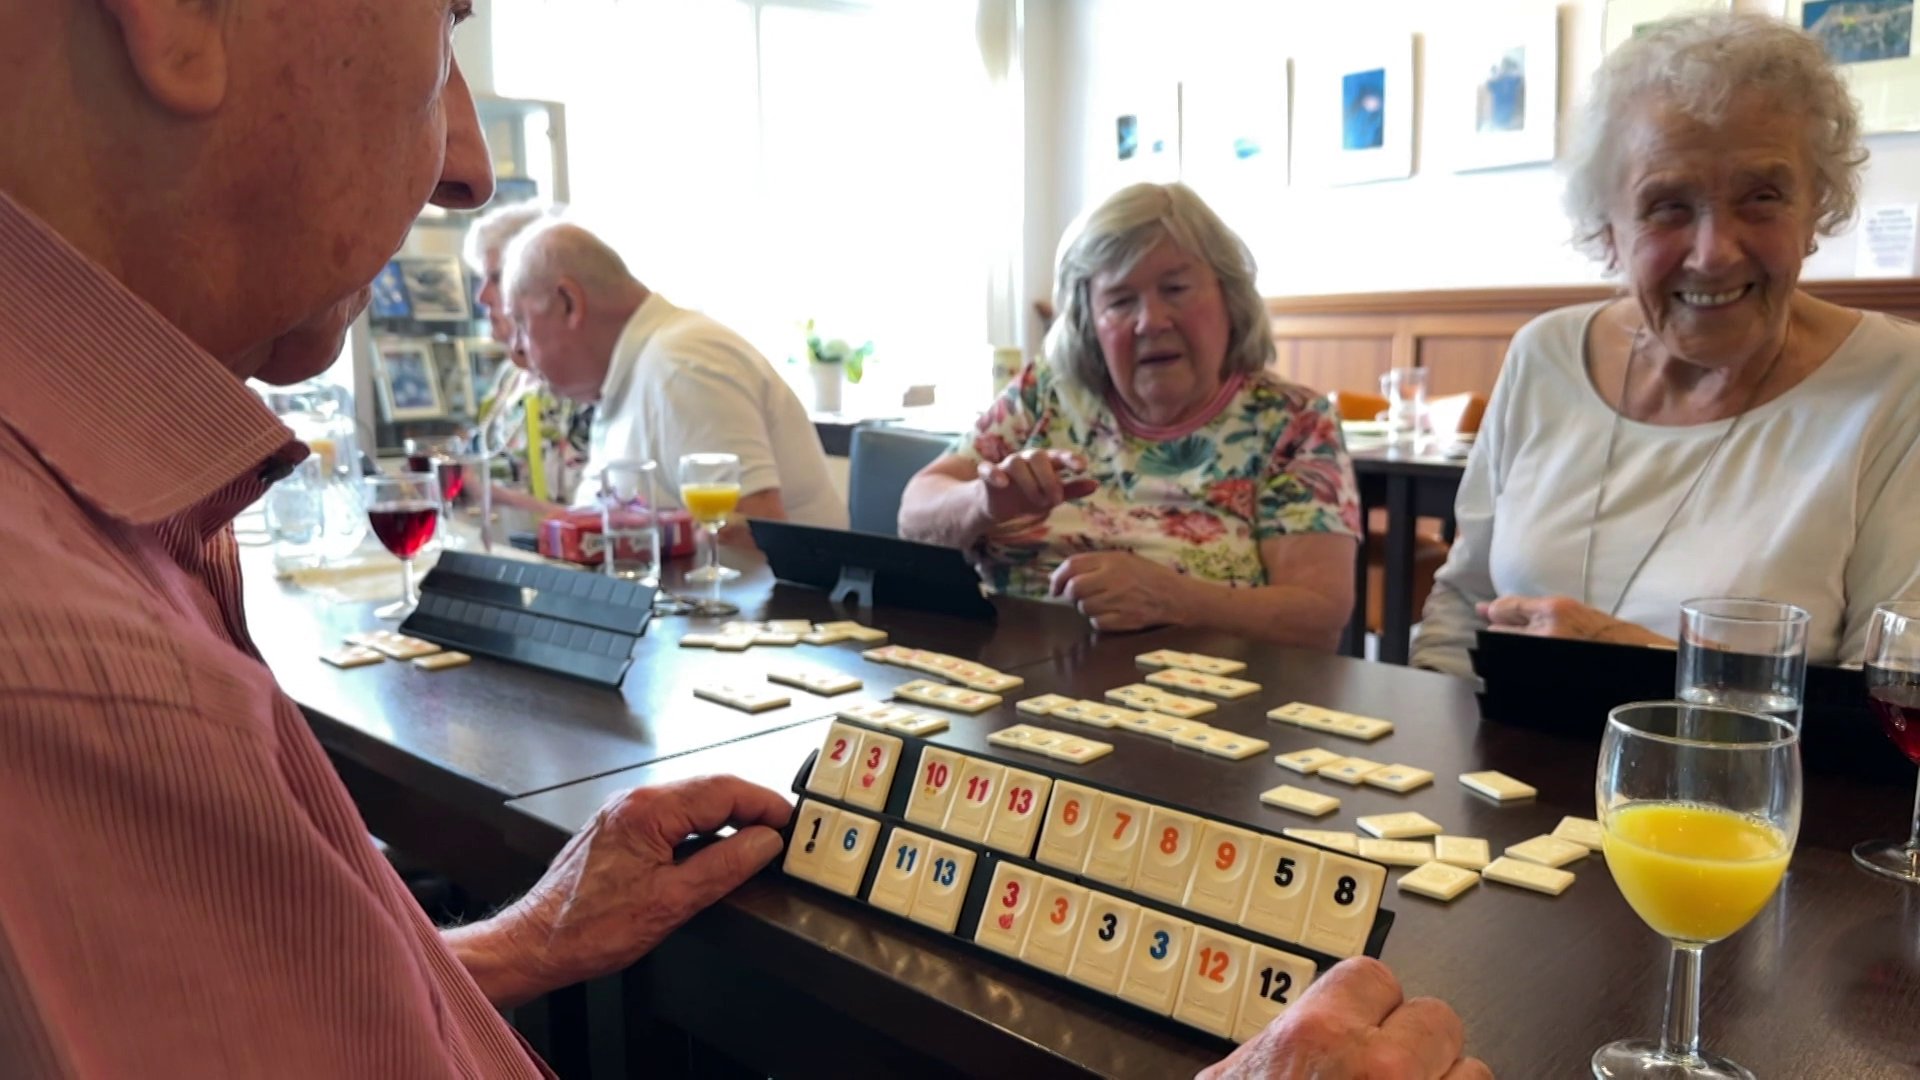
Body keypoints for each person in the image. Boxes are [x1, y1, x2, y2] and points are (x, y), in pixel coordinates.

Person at [0, 3, 1484, 1076]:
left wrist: (515, 945)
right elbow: (920, 511)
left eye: (1173, 291)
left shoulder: (102, 557)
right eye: (447, 22)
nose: (466, 159)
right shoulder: (72, 667)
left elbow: (303, 1031)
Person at [1411, 12, 1920, 678]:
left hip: (1758, 785)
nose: (1713, 255)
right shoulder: (1545, 355)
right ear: (1609, 228)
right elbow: (1462, 606)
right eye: (1668, 205)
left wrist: (1645, 664)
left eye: (1762, 196)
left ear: (1815, 208)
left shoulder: (1897, 385)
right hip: (1496, 773)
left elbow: (1895, 702)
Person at [899, 183, 1360, 649]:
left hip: (1197, 698)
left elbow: (1317, 618)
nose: (1150, 321)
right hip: (1007, 677)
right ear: (1089, 321)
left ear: (1229, 297)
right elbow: (915, 512)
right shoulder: (1047, 392)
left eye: (1175, 289)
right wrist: (985, 502)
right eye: (1120, 301)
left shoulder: (1293, 423)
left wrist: (1174, 599)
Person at [502, 219, 848, 530]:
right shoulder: (639, 366)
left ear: (569, 303)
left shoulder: (679, 365)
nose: (517, 353)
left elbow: (752, 536)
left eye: (520, 323)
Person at [462, 201, 593, 508]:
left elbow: (596, 524)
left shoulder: (583, 383)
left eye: (496, 278)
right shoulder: (509, 378)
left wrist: (491, 496)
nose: (481, 296)